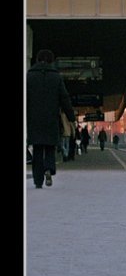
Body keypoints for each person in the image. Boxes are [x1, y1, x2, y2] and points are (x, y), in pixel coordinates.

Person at [26, 49, 75, 188]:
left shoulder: (29, 76)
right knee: (49, 147)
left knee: (37, 149)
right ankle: (48, 169)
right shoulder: (56, 77)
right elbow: (64, 98)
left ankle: (38, 181)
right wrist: (71, 116)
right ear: (52, 61)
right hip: (51, 118)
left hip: (34, 119)